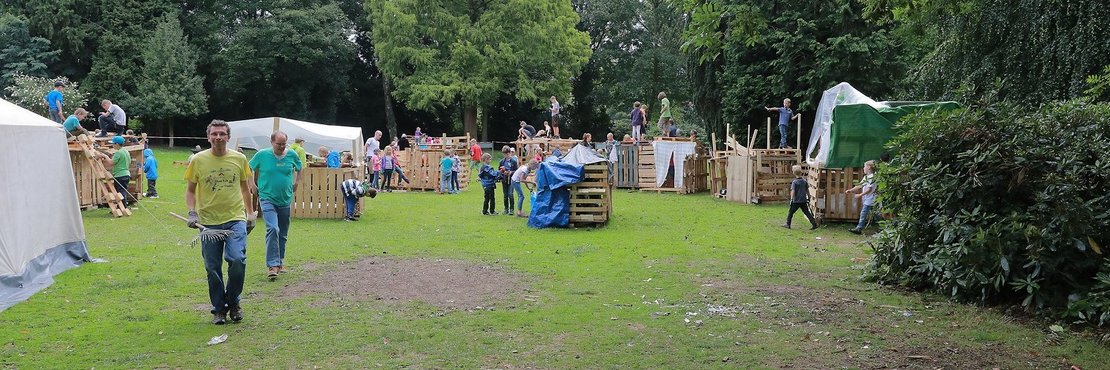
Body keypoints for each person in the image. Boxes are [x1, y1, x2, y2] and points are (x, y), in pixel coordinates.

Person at [184, 120, 256, 325]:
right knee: (212, 267)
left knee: (237, 260)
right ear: (208, 137)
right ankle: (219, 309)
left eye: (222, 134)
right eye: (214, 134)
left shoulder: (239, 159)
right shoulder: (198, 160)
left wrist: (250, 214)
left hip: (235, 219)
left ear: (228, 137)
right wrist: (192, 213)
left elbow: (245, 189)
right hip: (208, 223)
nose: (218, 137)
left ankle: (233, 302)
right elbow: (190, 190)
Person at [249, 131, 303, 278]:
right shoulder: (262, 155)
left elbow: (299, 167)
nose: (281, 146)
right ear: (271, 142)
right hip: (267, 197)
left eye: (284, 144)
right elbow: (249, 168)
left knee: (283, 233)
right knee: (273, 228)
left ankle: (279, 262)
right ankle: (272, 265)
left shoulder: (291, 154)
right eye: (278, 144)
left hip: (285, 198)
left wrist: (297, 182)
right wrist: (252, 184)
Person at [99, 136, 134, 207]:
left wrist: (105, 156)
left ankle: (122, 207)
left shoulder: (118, 152)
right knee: (123, 191)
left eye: (113, 144)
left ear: (117, 144)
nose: (112, 145)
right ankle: (121, 206)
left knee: (120, 192)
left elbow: (111, 162)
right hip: (126, 174)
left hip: (120, 175)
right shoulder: (125, 151)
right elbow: (128, 161)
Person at [846, 160, 878, 234]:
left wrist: (860, 195)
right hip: (868, 199)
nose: (863, 168)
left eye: (864, 166)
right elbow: (860, 185)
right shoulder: (866, 177)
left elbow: (870, 189)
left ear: (869, 167)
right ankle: (884, 227)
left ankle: (859, 228)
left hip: (872, 198)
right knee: (876, 214)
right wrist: (850, 190)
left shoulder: (872, 177)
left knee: (865, 213)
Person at [782, 165, 818, 230]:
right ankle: (814, 224)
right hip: (803, 200)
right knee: (807, 212)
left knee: (791, 212)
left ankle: (788, 224)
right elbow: (807, 190)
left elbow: (793, 191)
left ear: (793, 173)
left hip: (796, 201)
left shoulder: (794, 182)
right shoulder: (804, 181)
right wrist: (809, 197)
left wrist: (791, 199)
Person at [498, 146, 518, 215]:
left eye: (507, 154)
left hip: (511, 180)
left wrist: (511, 172)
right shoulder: (502, 161)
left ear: (510, 153)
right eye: (504, 154)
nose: (506, 156)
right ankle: (506, 209)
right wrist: (503, 171)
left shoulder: (514, 161)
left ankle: (512, 209)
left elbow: (516, 171)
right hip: (504, 180)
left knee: (510, 194)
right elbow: (499, 170)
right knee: (505, 195)